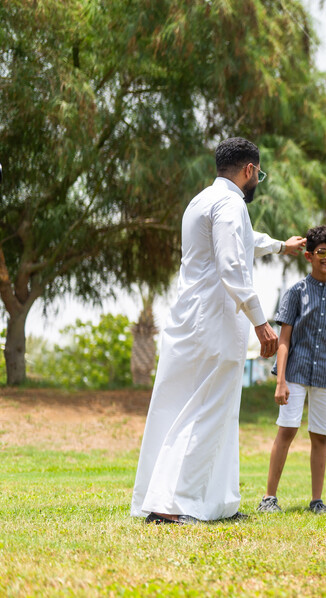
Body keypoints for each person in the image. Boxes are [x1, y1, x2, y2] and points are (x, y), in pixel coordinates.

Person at [132, 137, 306, 524]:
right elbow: (233, 265)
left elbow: (243, 242)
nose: (257, 180)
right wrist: (261, 323)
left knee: (187, 408)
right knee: (210, 410)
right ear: (249, 170)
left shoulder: (202, 201)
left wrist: (282, 247)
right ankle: (173, 506)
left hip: (188, 320)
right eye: (258, 174)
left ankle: (215, 503)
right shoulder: (230, 204)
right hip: (214, 321)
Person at [257, 225, 326, 515]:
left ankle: (317, 501)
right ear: (309, 256)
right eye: (322, 252)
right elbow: (284, 340)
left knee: (320, 436)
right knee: (287, 430)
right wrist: (281, 381)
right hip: (296, 372)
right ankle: (269, 498)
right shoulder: (295, 293)